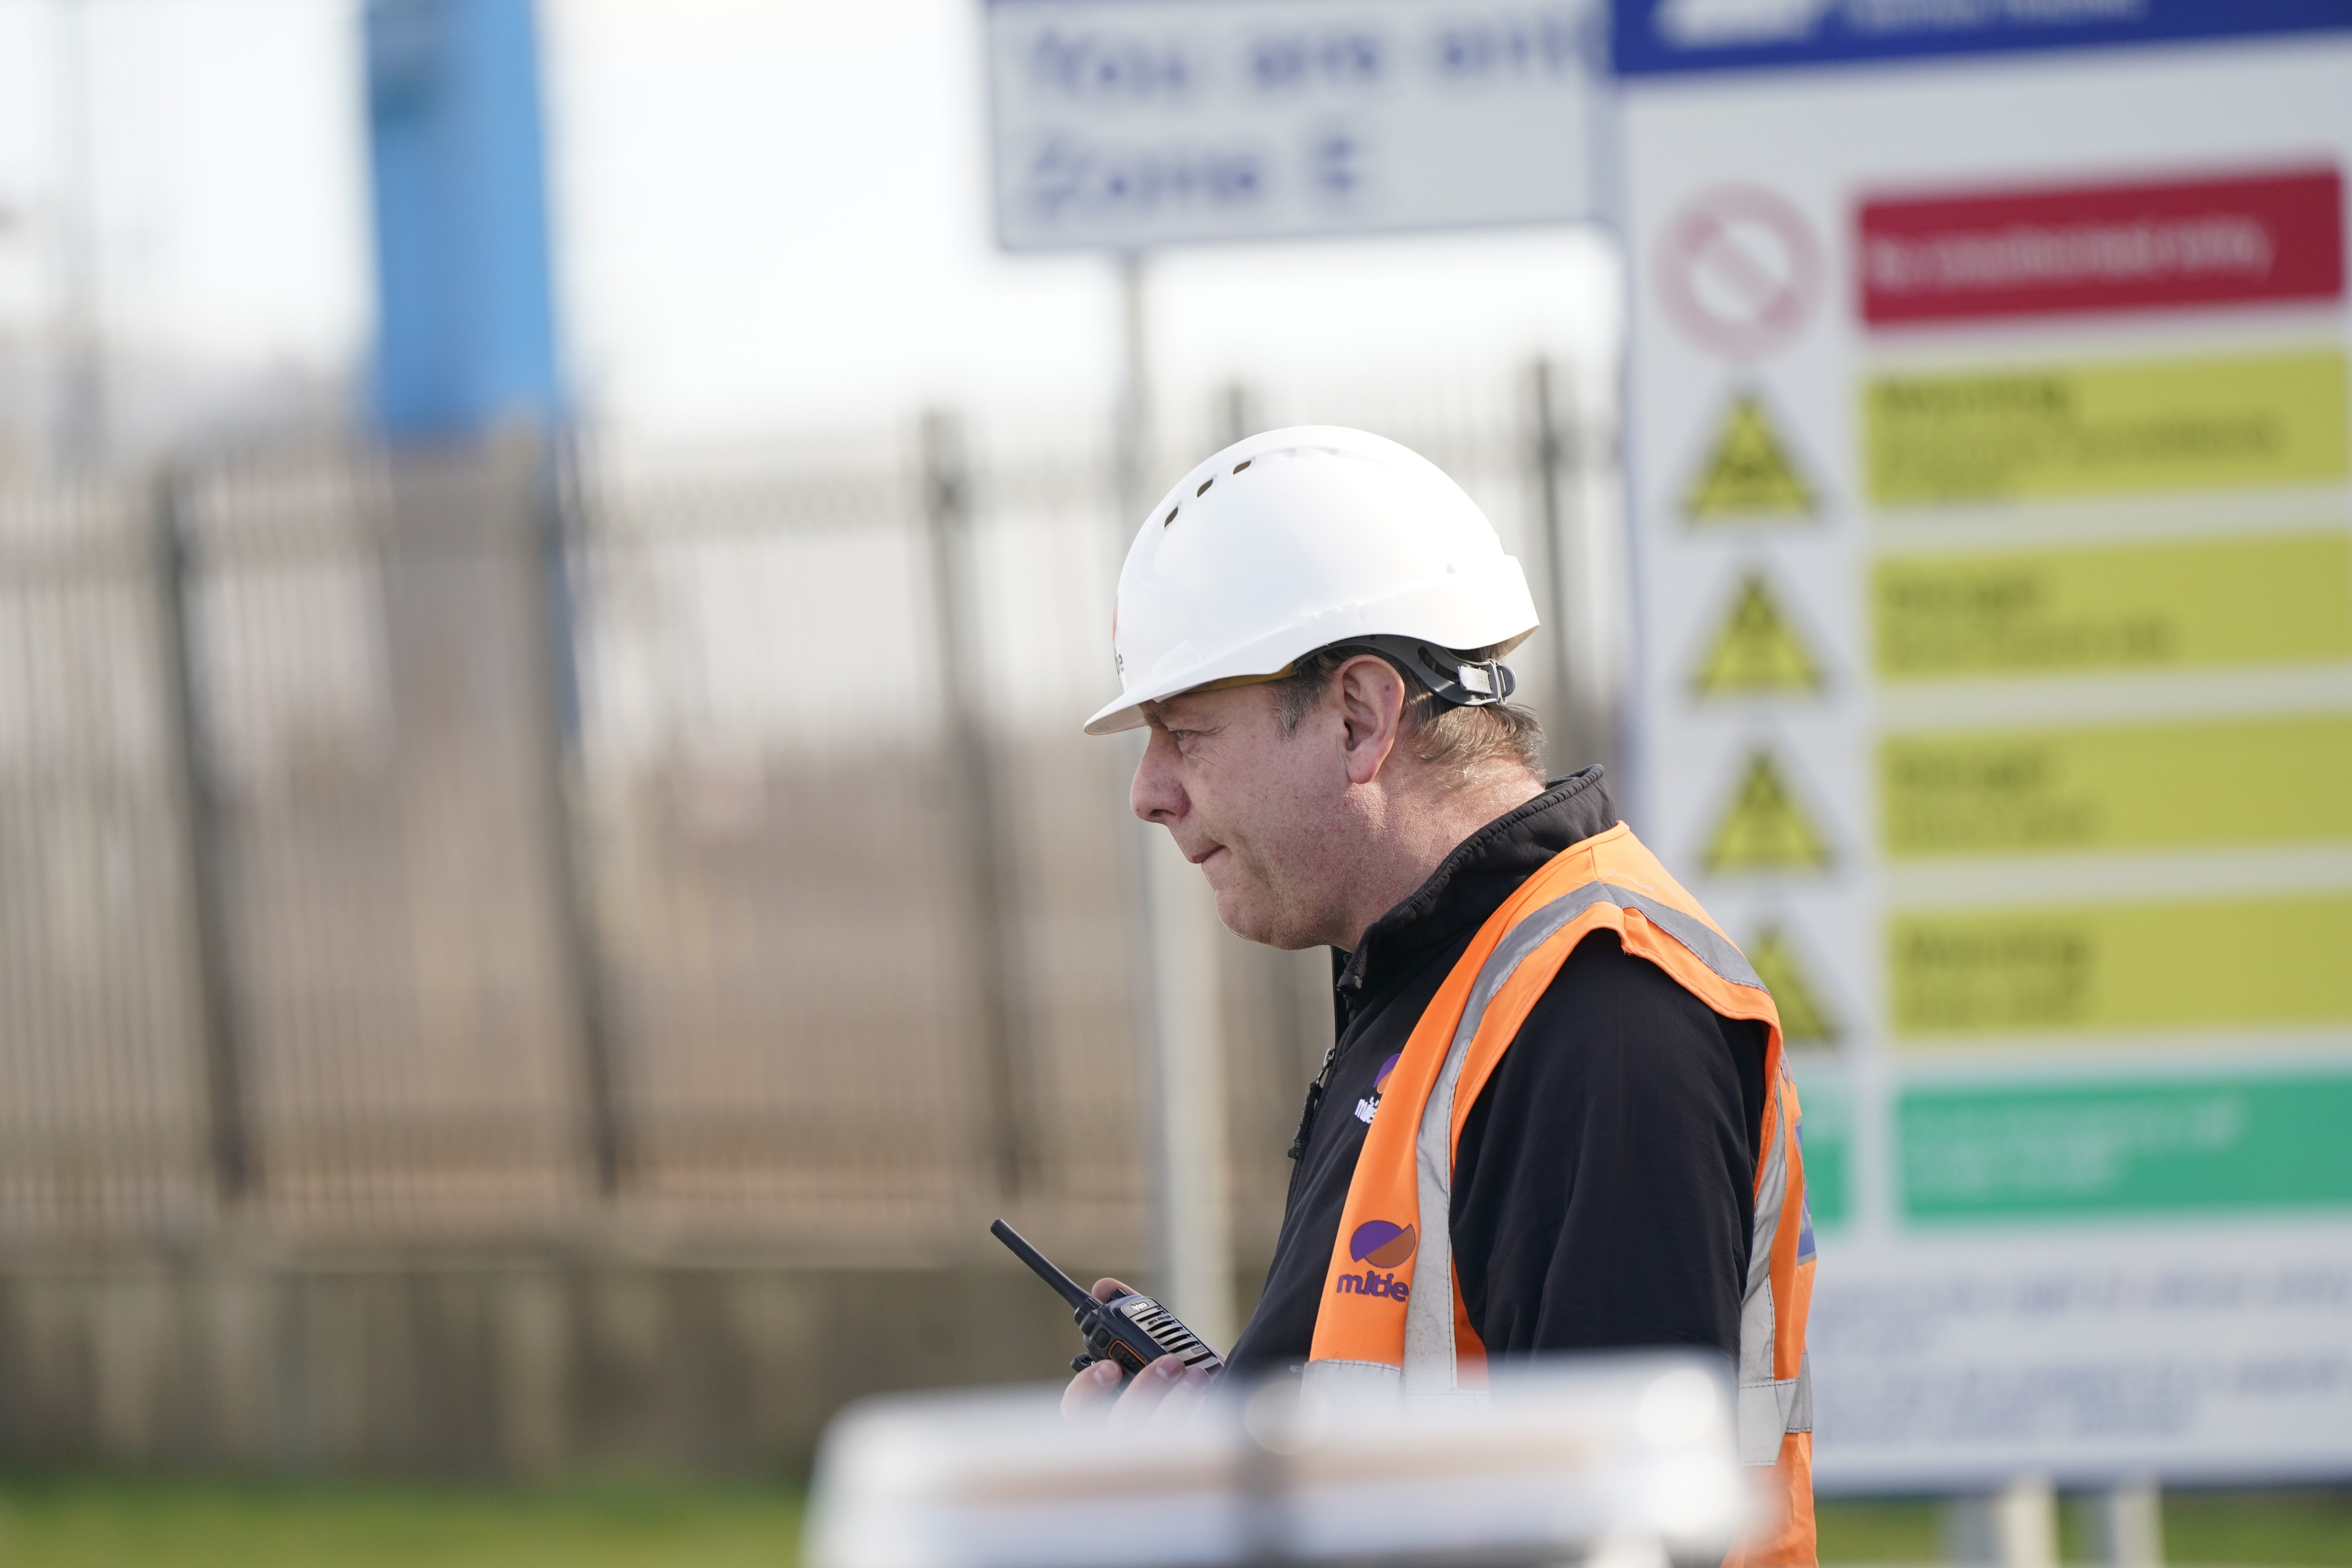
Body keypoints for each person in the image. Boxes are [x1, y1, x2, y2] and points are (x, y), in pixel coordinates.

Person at [1061, 427, 1815, 1565]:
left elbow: (1609, 1543)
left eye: (1186, 734)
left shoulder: (1599, 1013)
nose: (1149, 793)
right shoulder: (1439, 985)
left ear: (1362, 717)